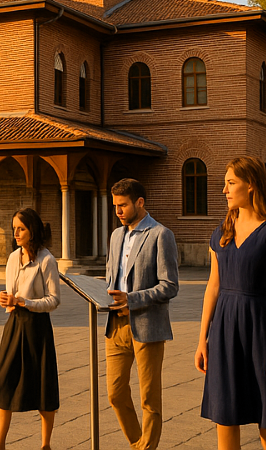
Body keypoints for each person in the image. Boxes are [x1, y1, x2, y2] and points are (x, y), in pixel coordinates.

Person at [196, 156, 266, 450]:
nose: (224, 191)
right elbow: (212, 286)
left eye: (231, 183)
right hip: (224, 330)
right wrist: (202, 339)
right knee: (225, 417)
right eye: (224, 185)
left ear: (251, 185)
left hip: (259, 328)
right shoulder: (221, 231)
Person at [104, 177, 180, 450]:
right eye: (115, 206)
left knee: (149, 397)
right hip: (116, 326)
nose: (118, 211)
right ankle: (138, 443)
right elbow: (112, 277)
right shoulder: (115, 236)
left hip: (146, 325)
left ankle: (147, 446)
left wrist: (133, 300)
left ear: (139, 202)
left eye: (123, 205)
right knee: (115, 393)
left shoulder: (161, 234)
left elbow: (170, 285)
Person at [0, 207, 60, 450]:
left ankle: (46, 444)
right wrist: (6, 299)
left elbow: (54, 300)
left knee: (43, 385)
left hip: (37, 329)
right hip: (14, 326)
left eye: (21, 229)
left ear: (32, 230)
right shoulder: (12, 258)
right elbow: (11, 293)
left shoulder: (46, 260)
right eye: (14, 229)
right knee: (4, 383)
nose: (16, 233)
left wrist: (26, 302)